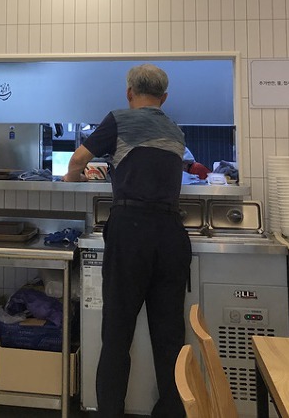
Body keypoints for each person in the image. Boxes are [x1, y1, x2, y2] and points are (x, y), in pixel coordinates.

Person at [64, 64, 191, 418]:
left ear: (129, 93)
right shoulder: (175, 129)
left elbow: (79, 159)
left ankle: (110, 412)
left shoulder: (120, 118)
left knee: (117, 332)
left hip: (131, 231)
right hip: (171, 232)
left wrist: (73, 177)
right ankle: (171, 411)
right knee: (169, 335)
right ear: (164, 98)